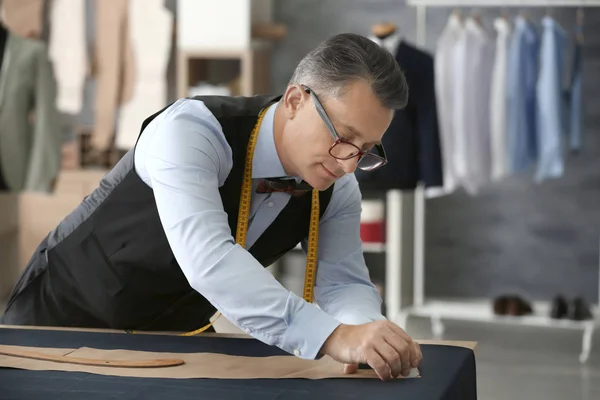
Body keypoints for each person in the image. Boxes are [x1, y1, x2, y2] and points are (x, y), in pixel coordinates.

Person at [1, 33, 421, 380]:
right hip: (59, 320)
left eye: (365, 150)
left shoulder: (337, 184)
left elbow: (343, 282)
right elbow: (209, 260)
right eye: (343, 136)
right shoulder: (190, 131)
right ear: (295, 100)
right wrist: (332, 336)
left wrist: (367, 334)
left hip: (170, 346)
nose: (349, 164)